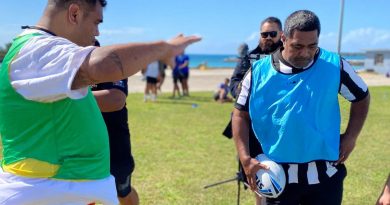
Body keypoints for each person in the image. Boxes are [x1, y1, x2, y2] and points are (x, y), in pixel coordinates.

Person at [0, 0, 201, 204]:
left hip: (58, 189)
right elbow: (103, 65)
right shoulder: (36, 51)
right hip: (46, 192)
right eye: (96, 22)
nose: (97, 33)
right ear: (75, 14)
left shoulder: (40, 51)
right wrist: (163, 49)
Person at [232, 10, 370, 205]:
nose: (305, 53)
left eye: (312, 46)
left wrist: (351, 137)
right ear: (283, 38)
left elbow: (362, 97)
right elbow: (240, 115)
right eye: (298, 46)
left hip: (325, 175)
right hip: (277, 175)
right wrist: (245, 158)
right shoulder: (258, 73)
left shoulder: (334, 66)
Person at [224, 16, 283, 205]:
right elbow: (234, 84)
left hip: (280, 127)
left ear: (281, 35)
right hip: (250, 127)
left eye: (272, 34)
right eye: (264, 34)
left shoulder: (288, 58)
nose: (267, 38)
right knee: (255, 172)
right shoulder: (249, 58)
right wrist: (245, 92)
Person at [91, 40, 138, 205]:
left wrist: (68, 96)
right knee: (80, 195)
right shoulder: (67, 62)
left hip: (114, 144)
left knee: (122, 192)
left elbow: (115, 99)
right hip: (79, 145)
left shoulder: (108, 62)